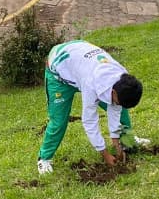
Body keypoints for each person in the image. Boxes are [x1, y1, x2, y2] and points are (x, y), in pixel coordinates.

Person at [37, 40, 149, 175]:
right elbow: (90, 121)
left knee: (121, 112)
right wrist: (105, 154)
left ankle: (128, 141)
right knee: (59, 121)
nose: (117, 105)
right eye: (117, 101)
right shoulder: (91, 84)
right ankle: (44, 159)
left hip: (80, 63)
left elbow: (116, 110)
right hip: (59, 73)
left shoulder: (122, 77)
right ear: (113, 92)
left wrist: (117, 144)